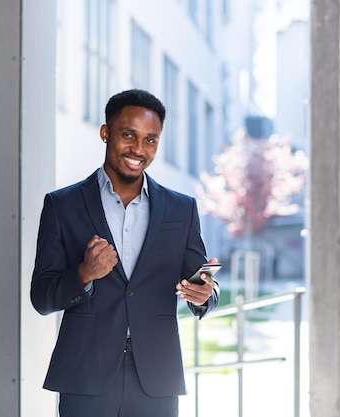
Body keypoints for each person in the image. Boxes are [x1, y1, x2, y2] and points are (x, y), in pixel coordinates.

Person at [30, 88, 220, 417]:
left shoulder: (181, 209)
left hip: (156, 377)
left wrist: (205, 294)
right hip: (84, 374)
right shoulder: (63, 206)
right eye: (128, 135)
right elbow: (42, 297)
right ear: (106, 133)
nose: (138, 149)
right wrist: (83, 274)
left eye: (150, 139)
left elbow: (202, 284)